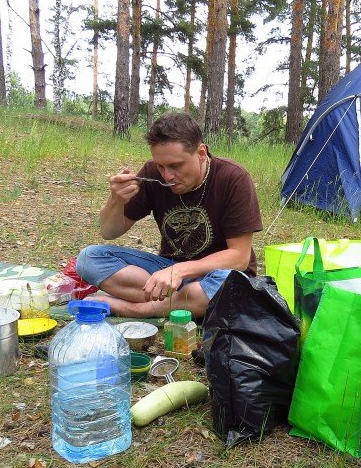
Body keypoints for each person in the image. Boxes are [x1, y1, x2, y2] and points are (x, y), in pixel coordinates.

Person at [76, 112, 263, 318]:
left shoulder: (233, 177)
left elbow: (239, 257)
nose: (167, 176)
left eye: (175, 166)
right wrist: (116, 201)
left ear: (201, 153)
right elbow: (109, 232)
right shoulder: (152, 173)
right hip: (168, 271)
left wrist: (181, 271)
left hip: (219, 274)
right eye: (160, 166)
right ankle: (182, 301)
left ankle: (136, 309)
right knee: (88, 259)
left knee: (229, 285)